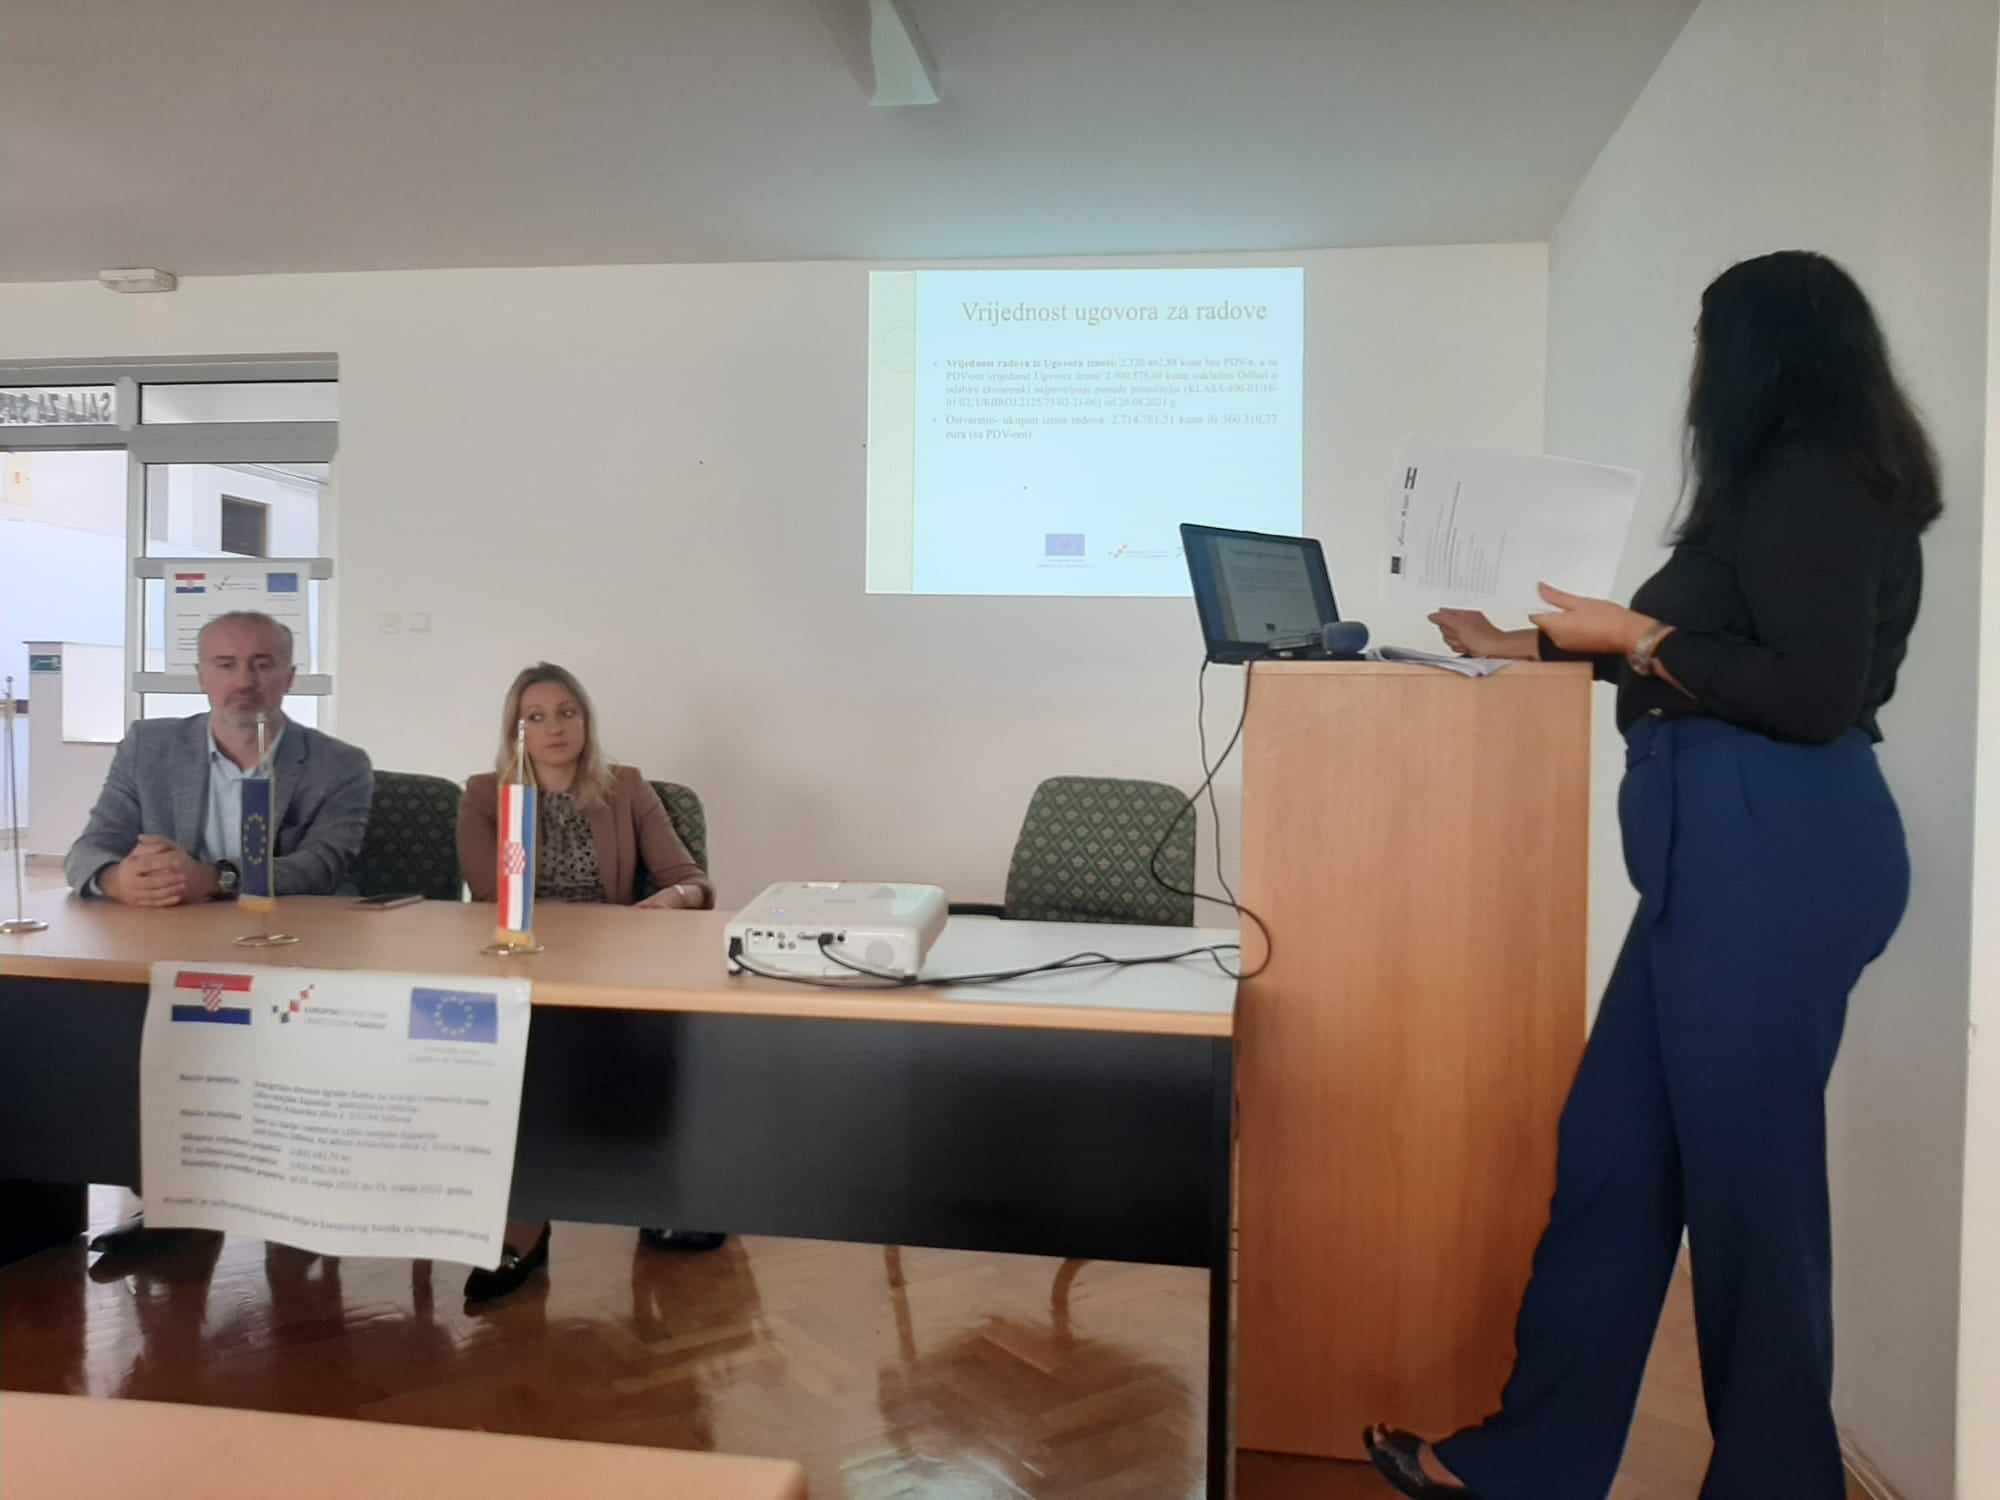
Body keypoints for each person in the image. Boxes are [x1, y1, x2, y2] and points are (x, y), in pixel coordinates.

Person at [1366, 251, 1937, 1500]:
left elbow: (1807, 693)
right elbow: (1710, 656)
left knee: (1747, 1188)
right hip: (1721, 853)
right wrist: (1521, 645)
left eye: (1707, 340)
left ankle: (1779, 1483)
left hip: (1773, 849)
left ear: (1757, 352)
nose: (1697, 368)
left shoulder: (1811, 477)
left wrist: (1632, 630)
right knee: (1614, 1158)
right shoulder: (1775, 487)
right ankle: (1535, 1459)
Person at [65, 610, 374, 1258]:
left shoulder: (340, 764)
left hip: (290, 948)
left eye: (262, 664)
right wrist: (119, 878)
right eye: (226, 665)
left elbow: (322, 865)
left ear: (290, 676)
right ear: (201, 675)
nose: (244, 681)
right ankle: (170, 1203)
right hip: (170, 944)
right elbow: (90, 846)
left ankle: (291, 1201)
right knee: (103, 1023)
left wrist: (216, 878)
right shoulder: (149, 745)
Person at [457, 661, 722, 1304]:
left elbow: (690, 880)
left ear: (586, 721)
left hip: (614, 962)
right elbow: (489, 897)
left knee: (654, 1035)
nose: (555, 728)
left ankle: (659, 1195)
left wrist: (667, 902)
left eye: (567, 713)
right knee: (528, 1044)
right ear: (516, 730)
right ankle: (527, 1218)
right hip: (528, 960)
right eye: (536, 717)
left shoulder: (625, 787)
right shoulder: (484, 794)